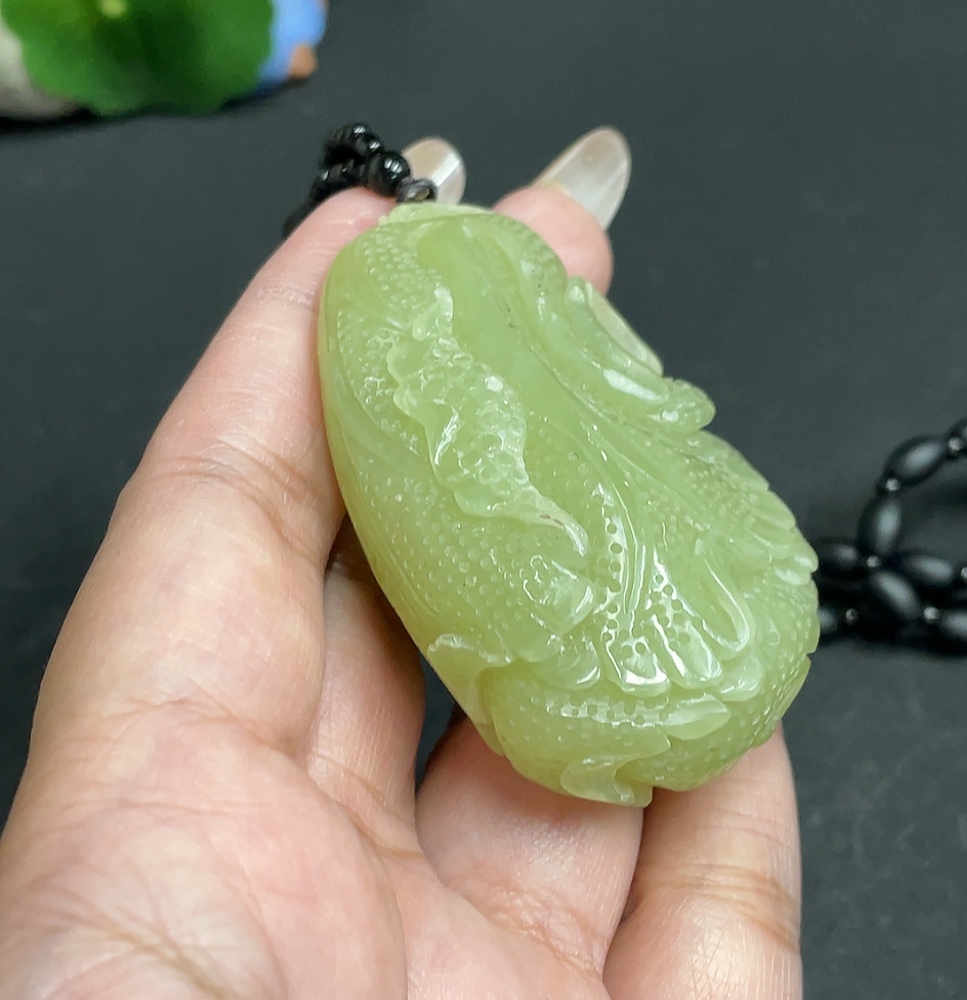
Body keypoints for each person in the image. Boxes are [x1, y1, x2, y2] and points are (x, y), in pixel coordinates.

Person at [0, 129, 803, 999]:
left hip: (686, 587)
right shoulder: (398, 314)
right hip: (586, 621)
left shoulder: (447, 288)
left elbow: (621, 386)